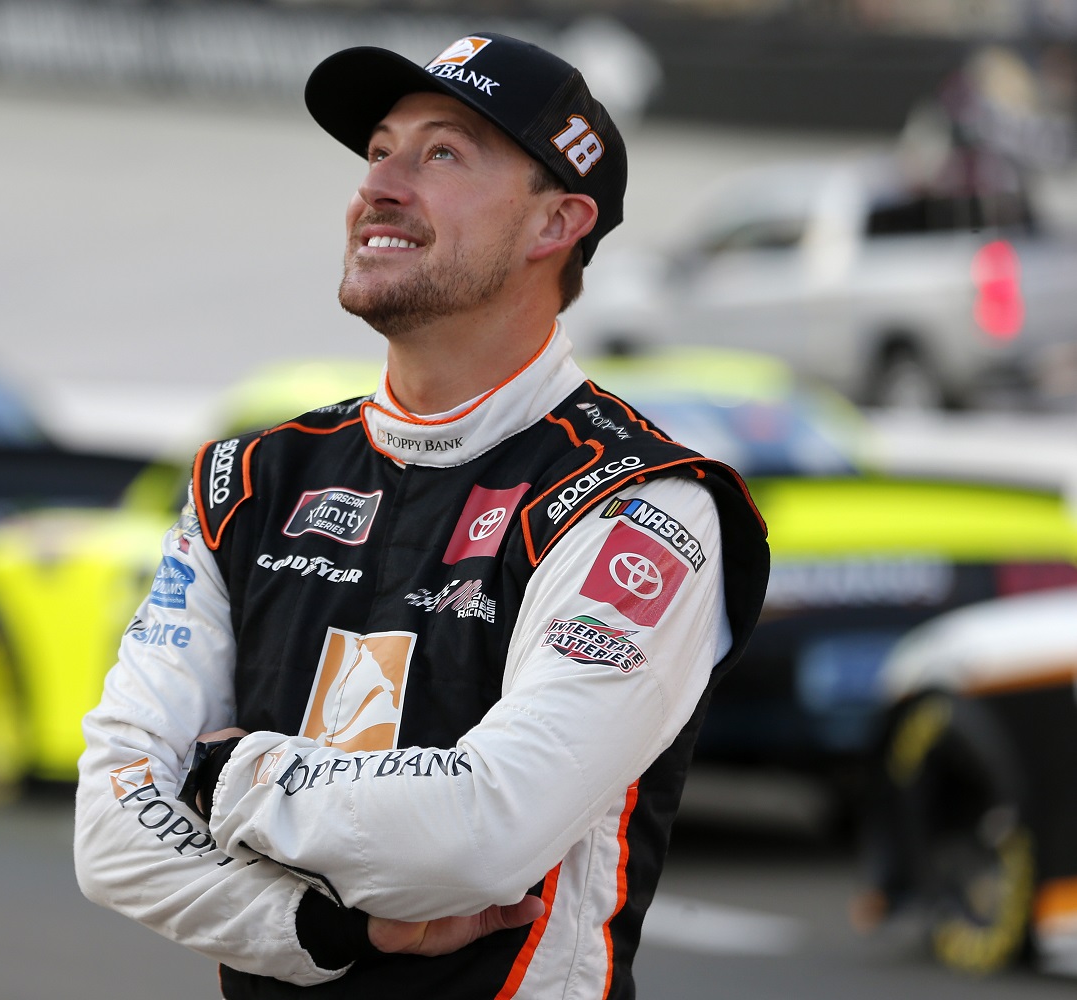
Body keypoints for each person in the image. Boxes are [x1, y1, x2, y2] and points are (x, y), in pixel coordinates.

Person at [74, 32, 770, 999]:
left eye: (441, 153)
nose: (381, 187)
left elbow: (487, 831)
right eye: (377, 151)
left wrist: (226, 779)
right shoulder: (249, 478)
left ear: (555, 223)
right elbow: (110, 831)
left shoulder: (639, 503)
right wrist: (323, 925)